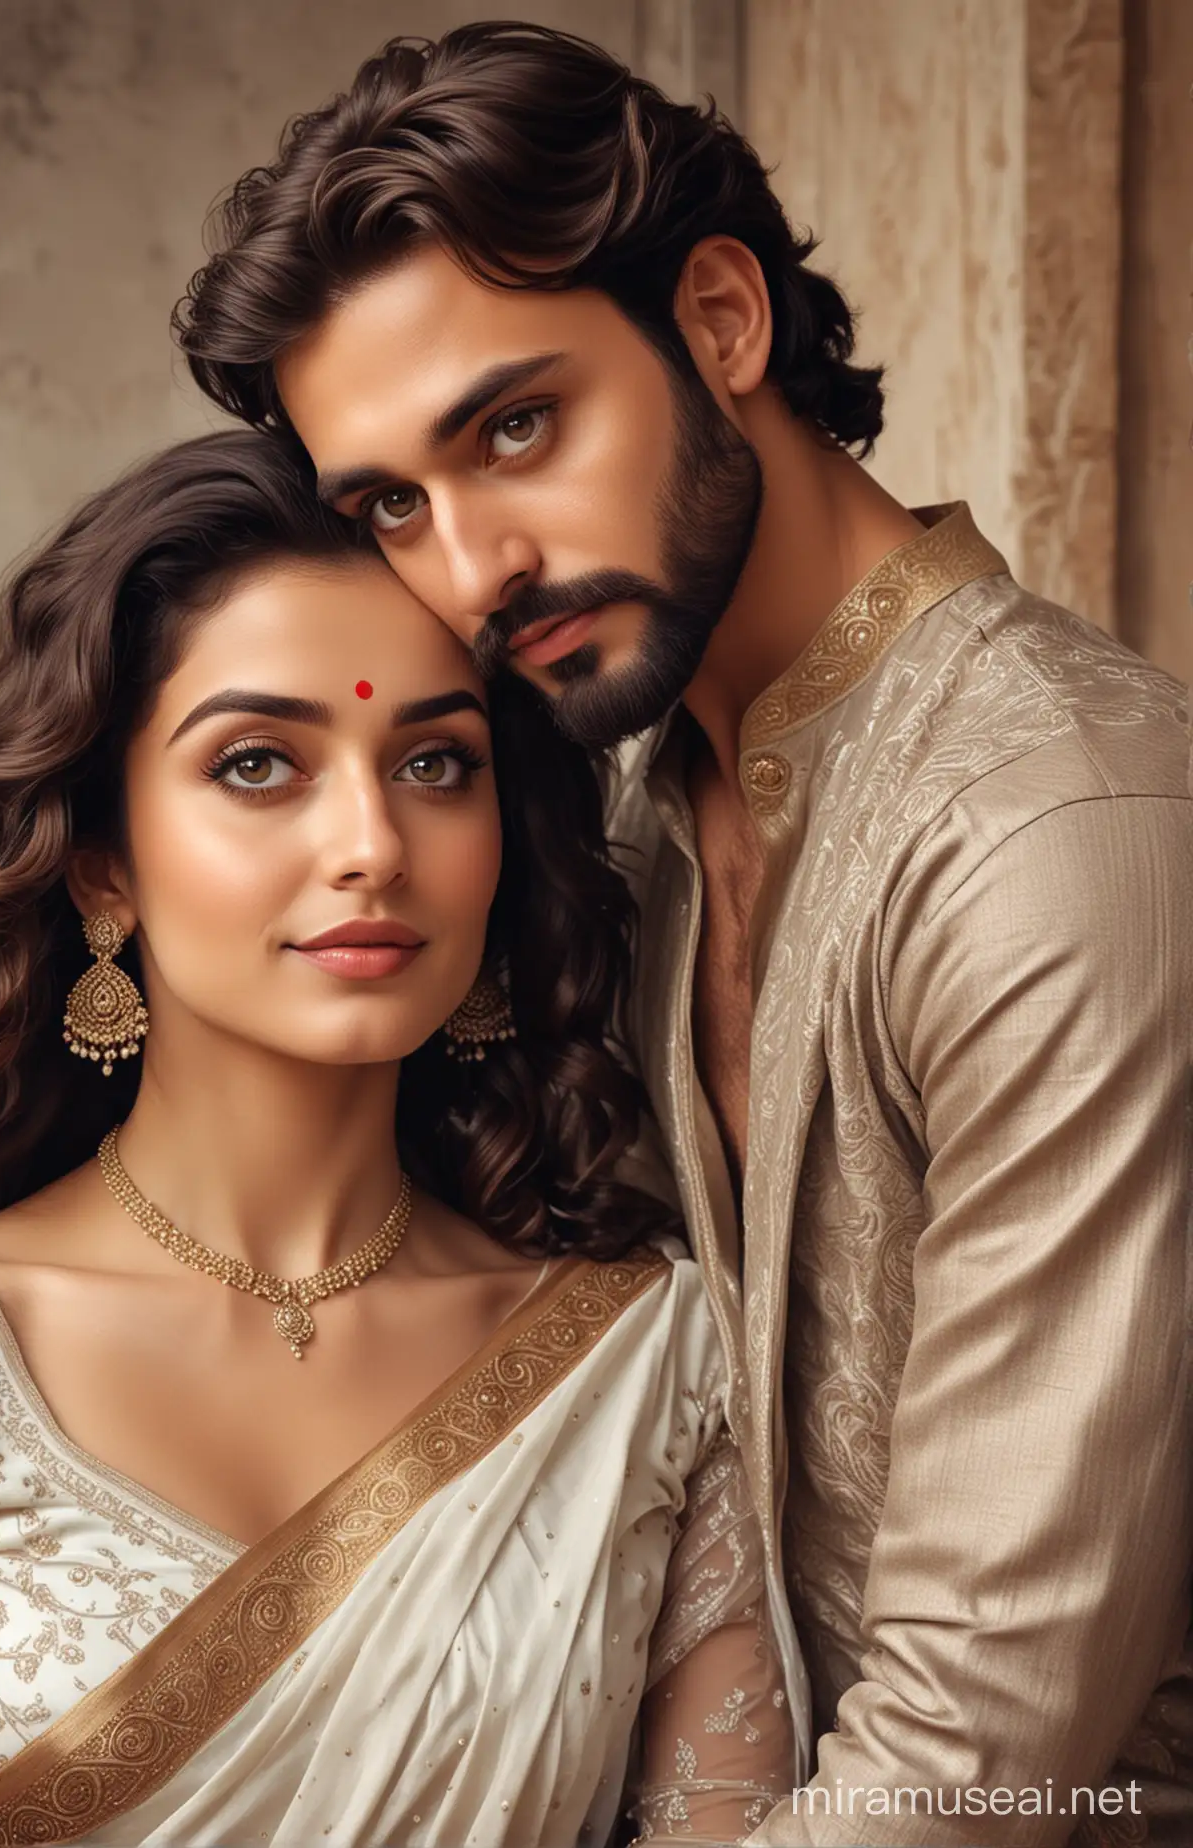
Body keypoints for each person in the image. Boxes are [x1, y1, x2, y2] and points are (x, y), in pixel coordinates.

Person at [172, 21, 1193, 1845]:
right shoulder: (633, 830)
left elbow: (980, 1760)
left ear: (720, 323)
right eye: (395, 502)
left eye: (516, 426)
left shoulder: (1058, 829)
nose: (474, 566)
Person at [0, 431, 796, 1846]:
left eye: (437, 763)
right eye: (260, 763)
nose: (373, 844)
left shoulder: (653, 1366)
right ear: (104, 864)